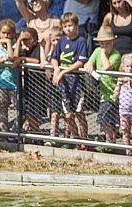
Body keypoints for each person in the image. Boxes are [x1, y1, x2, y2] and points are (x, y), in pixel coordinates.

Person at [51, 12, 88, 148]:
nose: (68, 28)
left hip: (76, 83)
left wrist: (63, 71)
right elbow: (54, 57)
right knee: (68, 115)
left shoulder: (81, 41)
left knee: (79, 113)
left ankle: (84, 141)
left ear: (76, 26)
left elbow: (80, 62)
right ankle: (76, 140)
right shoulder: (61, 41)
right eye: (65, 26)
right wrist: (56, 70)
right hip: (63, 85)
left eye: (70, 25)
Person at [84, 26, 121, 145]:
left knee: (103, 118)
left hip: (113, 94)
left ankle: (110, 140)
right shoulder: (97, 51)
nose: (104, 46)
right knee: (107, 120)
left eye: (107, 43)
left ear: (113, 42)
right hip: (102, 93)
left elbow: (107, 67)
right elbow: (89, 63)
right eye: (102, 44)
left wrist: (103, 53)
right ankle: (110, 140)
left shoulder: (116, 55)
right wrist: (89, 66)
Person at [13, 26, 45, 134]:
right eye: (24, 40)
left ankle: (38, 134)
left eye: (28, 39)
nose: (25, 42)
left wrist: (23, 59)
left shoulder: (38, 47)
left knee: (33, 114)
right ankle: (30, 134)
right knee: (25, 113)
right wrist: (19, 40)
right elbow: (15, 57)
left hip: (38, 86)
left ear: (35, 39)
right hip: (27, 85)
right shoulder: (24, 50)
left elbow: (37, 61)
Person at [43, 26, 64, 141]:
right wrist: (46, 43)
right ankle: (53, 135)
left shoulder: (64, 51)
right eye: (53, 40)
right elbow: (45, 59)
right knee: (54, 112)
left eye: (58, 40)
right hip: (52, 85)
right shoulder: (50, 51)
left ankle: (67, 136)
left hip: (65, 84)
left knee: (67, 114)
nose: (56, 43)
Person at [114, 53, 132, 155]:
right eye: (127, 66)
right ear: (123, 67)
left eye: (131, 66)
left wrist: (129, 86)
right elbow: (116, 95)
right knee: (125, 132)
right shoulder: (121, 78)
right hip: (124, 111)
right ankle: (127, 151)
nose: (129, 69)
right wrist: (118, 85)